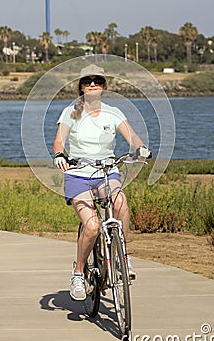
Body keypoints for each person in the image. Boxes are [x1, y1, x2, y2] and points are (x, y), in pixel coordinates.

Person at [52, 64, 151, 301]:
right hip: (78, 174)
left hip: (106, 171)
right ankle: (78, 273)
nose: (92, 84)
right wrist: (59, 155)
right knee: (93, 226)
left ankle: (123, 258)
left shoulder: (113, 112)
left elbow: (132, 136)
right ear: (81, 86)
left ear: (104, 86)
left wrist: (140, 148)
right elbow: (58, 142)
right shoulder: (71, 112)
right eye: (87, 81)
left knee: (121, 204)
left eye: (97, 81)